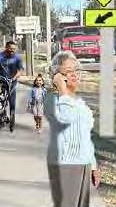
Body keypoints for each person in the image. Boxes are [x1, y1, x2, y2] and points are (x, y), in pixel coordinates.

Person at [46, 50, 99, 207]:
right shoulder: (53, 100)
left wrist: (93, 165)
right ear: (58, 76)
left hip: (83, 163)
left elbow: (85, 137)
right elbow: (66, 117)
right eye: (69, 72)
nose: (75, 75)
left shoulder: (77, 101)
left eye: (76, 70)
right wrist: (62, 89)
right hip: (65, 164)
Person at [0, 41, 23, 115]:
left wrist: (15, 77)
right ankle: (0, 113)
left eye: (14, 49)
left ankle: (12, 114)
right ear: (6, 47)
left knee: (12, 99)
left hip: (12, 80)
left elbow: (20, 70)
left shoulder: (17, 57)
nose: (12, 50)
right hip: (1, 80)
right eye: (11, 48)